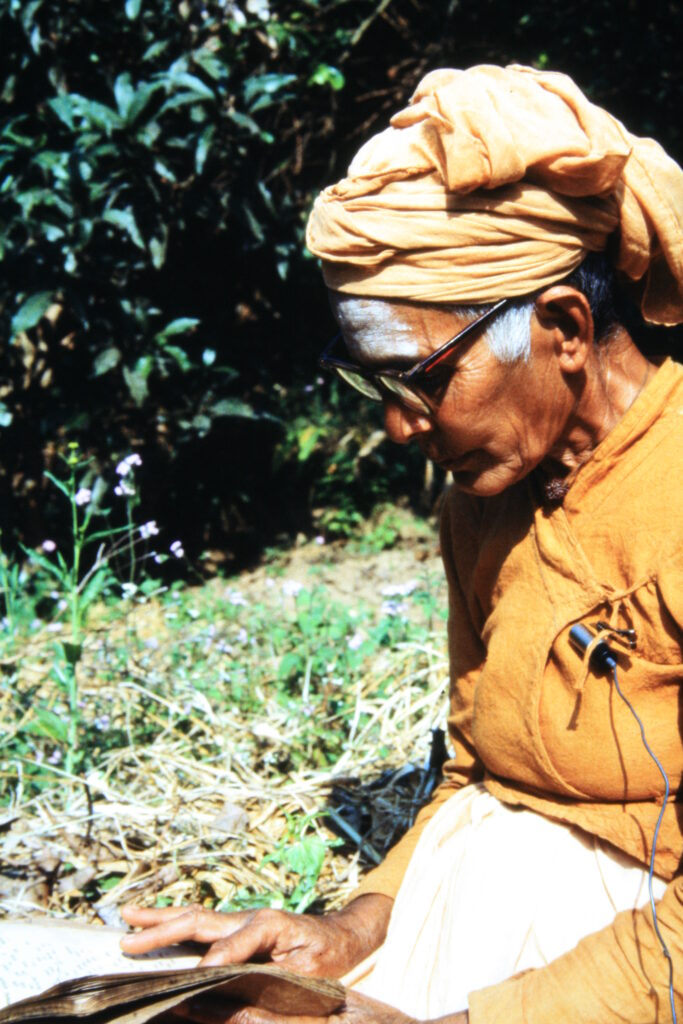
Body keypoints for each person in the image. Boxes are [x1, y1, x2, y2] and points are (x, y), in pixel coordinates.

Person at [120, 64, 683, 1023]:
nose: (396, 426)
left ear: (564, 328)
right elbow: (475, 771)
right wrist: (350, 929)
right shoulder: (482, 505)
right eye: (372, 386)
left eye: (420, 379)